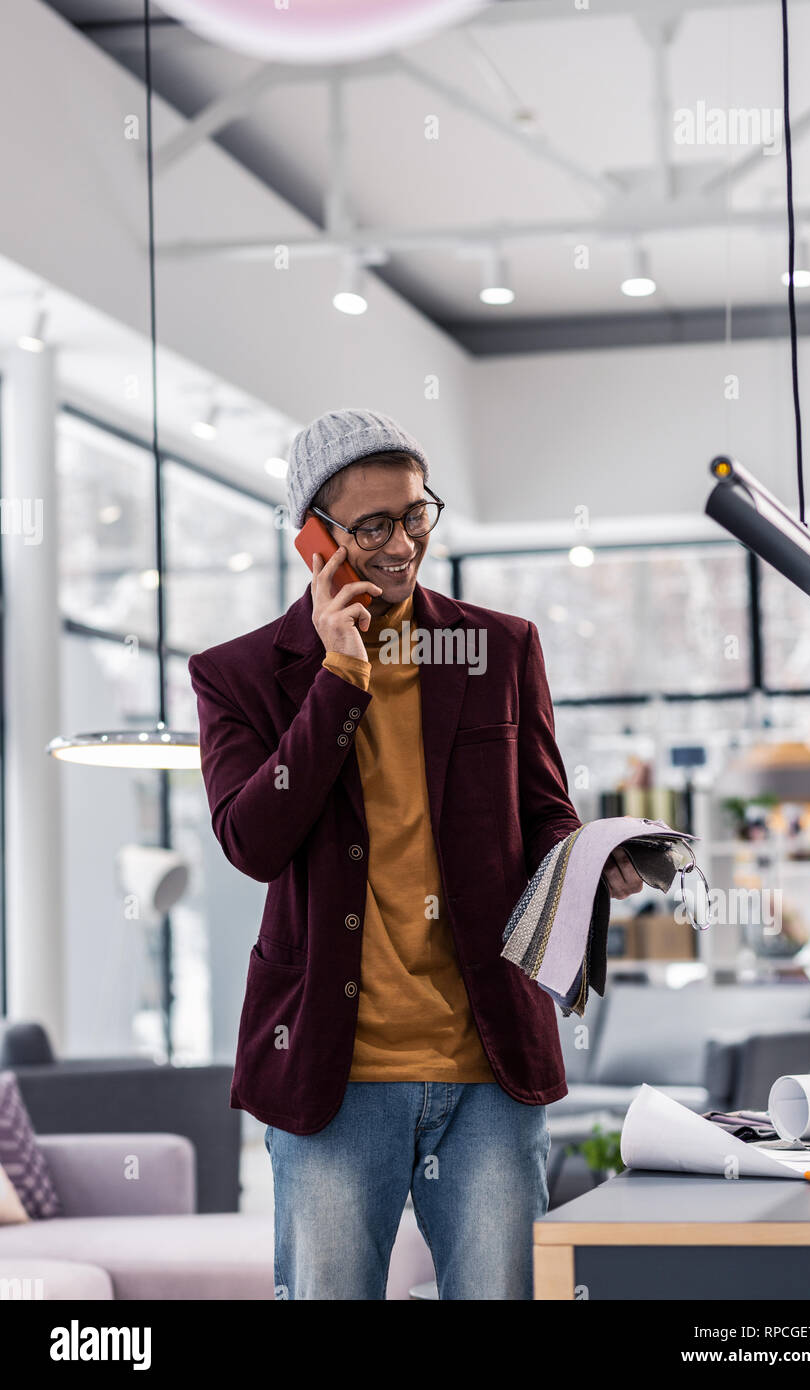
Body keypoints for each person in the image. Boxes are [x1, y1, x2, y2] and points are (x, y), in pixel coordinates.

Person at [188, 407, 643, 1300]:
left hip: (488, 1067)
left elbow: (544, 814)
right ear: (314, 542)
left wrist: (596, 864)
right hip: (332, 1069)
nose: (403, 544)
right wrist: (341, 676)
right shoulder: (238, 675)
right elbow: (253, 838)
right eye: (372, 527)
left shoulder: (497, 648)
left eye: (416, 514)